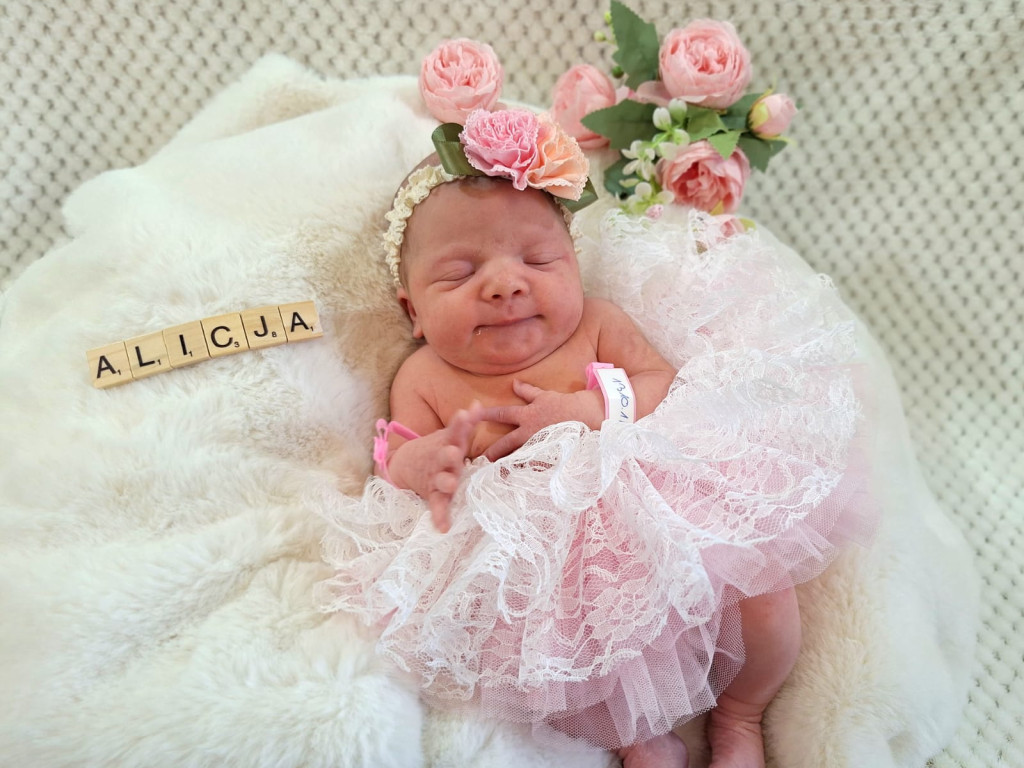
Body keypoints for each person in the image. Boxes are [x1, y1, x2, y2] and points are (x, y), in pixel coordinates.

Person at [319, 109, 867, 768]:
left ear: (574, 265)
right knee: (568, 661)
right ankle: (638, 737)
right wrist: (423, 462)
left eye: (537, 259)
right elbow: (397, 459)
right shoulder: (426, 376)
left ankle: (742, 713)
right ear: (412, 310)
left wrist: (587, 407)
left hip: (659, 498)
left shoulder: (597, 326)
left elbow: (661, 383)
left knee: (764, 596)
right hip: (548, 556)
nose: (505, 284)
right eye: (459, 274)